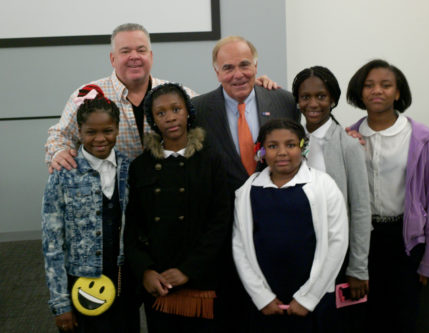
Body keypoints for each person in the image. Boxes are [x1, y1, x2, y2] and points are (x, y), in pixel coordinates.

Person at [45, 24, 277, 174]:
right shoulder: (89, 95)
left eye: (141, 50)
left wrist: (251, 87)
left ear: (151, 56)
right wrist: (58, 153)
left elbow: (214, 104)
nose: (134, 57)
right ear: (112, 58)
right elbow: (59, 135)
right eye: (125, 51)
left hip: (164, 194)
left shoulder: (175, 94)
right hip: (110, 194)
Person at [346, 59, 429, 333]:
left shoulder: (421, 138)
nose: (377, 91)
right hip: (362, 239)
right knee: (362, 317)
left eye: (386, 85)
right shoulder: (348, 136)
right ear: (360, 91)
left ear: (398, 93)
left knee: (401, 318)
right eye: (369, 85)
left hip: (405, 241)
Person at [124, 83, 231, 333]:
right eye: (161, 113)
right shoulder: (141, 166)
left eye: (176, 109)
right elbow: (132, 227)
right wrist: (145, 271)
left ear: (188, 113)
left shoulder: (211, 161)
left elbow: (221, 222)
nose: (170, 117)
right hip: (159, 282)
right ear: (152, 120)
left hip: (201, 278)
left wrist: (188, 270)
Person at [232, 118, 348, 333]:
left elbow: (337, 242)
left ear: (303, 147)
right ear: (262, 151)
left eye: (291, 145)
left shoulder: (323, 185)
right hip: (267, 297)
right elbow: (240, 247)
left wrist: (309, 297)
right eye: (273, 146)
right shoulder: (248, 190)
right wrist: (261, 296)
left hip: (314, 295)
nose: (282, 152)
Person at [42, 85, 138, 332]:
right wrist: (61, 303)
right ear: (79, 132)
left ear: (117, 129)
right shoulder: (63, 174)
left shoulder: (130, 170)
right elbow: (52, 243)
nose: (100, 138)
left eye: (107, 130)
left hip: (122, 282)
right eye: (90, 132)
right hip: (80, 285)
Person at [292, 66, 371, 332]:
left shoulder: (348, 145)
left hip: (335, 256)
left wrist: (358, 268)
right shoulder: (293, 143)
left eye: (321, 96)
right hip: (300, 254)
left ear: (333, 99)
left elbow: (360, 210)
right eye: (305, 97)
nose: (312, 104)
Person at [192, 36, 300, 191]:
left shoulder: (285, 102)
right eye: (228, 68)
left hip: (276, 204)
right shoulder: (198, 110)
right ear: (217, 73)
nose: (238, 74)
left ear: (256, 66)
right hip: (224, 210)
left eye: (244, 65)